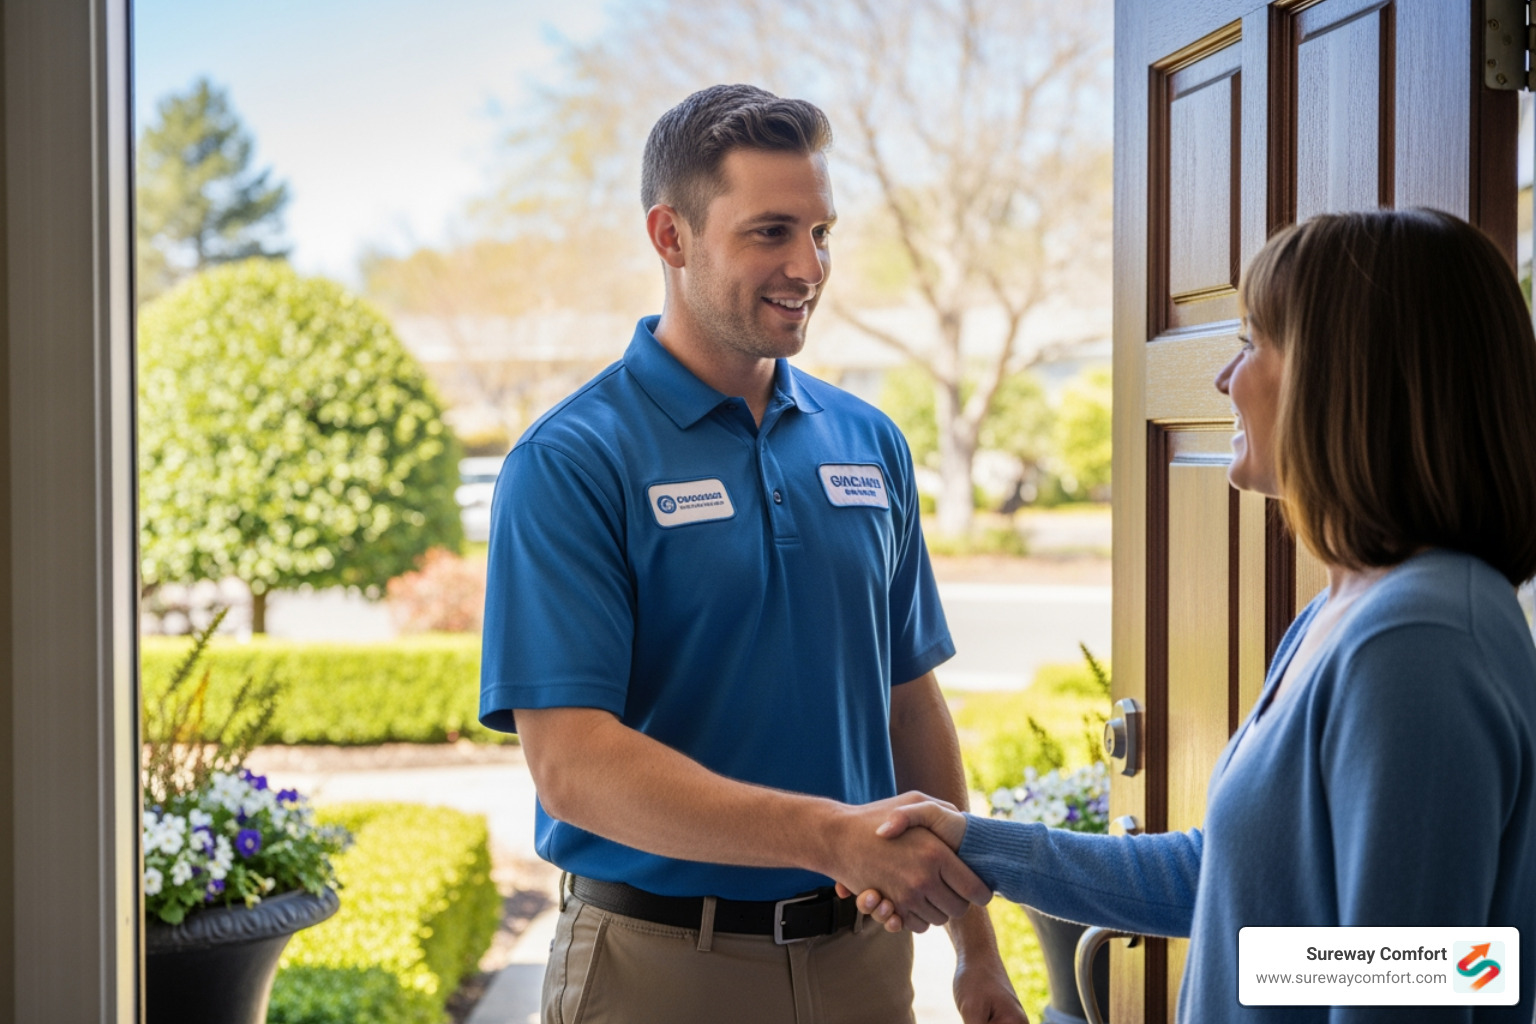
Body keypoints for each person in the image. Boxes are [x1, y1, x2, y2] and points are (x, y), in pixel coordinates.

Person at [853, 208, 1536, 1023]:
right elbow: (1226, 882)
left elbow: (1409, 981)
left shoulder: (1419, 641)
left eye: (1252, 344)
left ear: (1344, 377)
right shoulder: (1350, 606)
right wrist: (980, 844)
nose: (1224, 379)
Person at [478, 84, 1025, 1024]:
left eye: (821, 233)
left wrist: (977, 949)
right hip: (657, 971)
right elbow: (571, 764)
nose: (807, 265)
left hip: (863, 965)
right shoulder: (572, 458)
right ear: (670, 235)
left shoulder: (869, 442)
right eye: (770, 232)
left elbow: (907, 699)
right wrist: (830, 838)